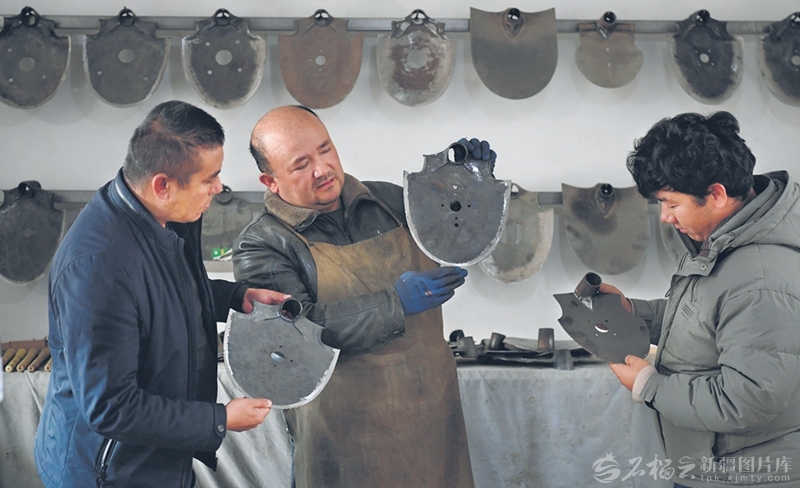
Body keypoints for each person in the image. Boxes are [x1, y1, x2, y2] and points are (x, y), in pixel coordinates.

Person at [34, 100, 289, 488]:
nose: (218, 188)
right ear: (162, 185)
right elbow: (111, 408)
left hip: (157, 459)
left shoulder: (160, 215)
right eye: (209, 179)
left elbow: (157, 294)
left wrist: (235, 298)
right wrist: (219, 419)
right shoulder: (98, 266)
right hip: (107, 472)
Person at [233, 105, 483, 487]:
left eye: (325, 149)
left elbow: (464, 238)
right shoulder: (263, 243)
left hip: (431, 413)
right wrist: (393, 303)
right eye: (301, 164)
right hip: (343, 433)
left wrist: (472, 186)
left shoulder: (392, 201)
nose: (322, 169)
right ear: (271, 181)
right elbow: (294, 337)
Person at [603, 111, 800, 487]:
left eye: (671, 203)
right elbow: (710, 322)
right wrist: (634, 313)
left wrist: (649, 385)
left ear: (717, 194)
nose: (665, 217)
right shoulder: (727, 240)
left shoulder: (760, 279)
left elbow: (746, 401)